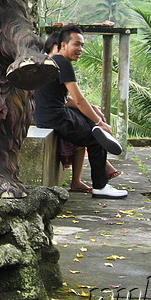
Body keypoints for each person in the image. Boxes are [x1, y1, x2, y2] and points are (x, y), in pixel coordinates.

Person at [34, 26, 127, 199]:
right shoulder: (62, 63)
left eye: (82, 45)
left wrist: (95, 117)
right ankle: (101, 186)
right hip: (56, 118)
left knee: (90, 123)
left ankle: (102, 172)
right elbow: (79, 100)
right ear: (63, 45)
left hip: (45, 117)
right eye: (76, 44)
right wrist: (100, 123)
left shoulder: (48, 61)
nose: (80, 49)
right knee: (96, 138)